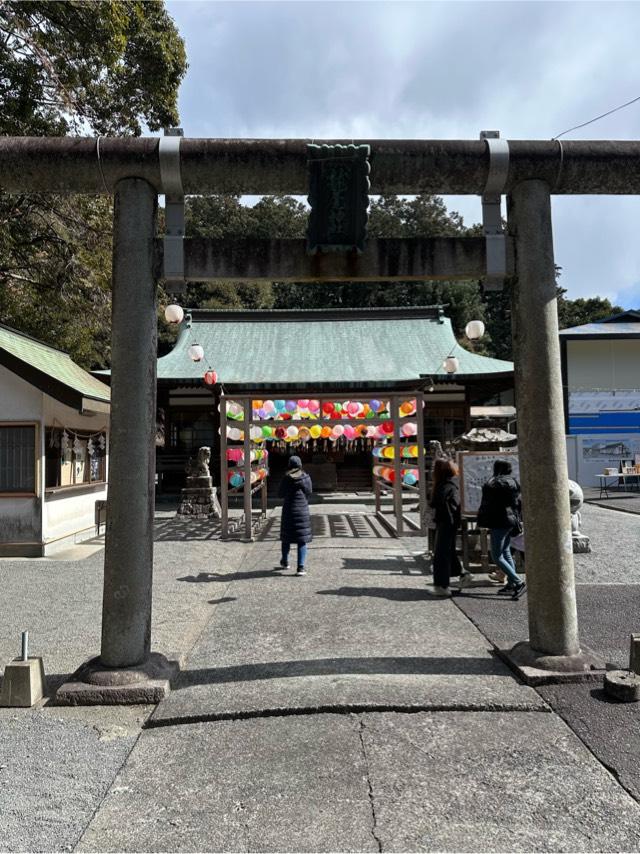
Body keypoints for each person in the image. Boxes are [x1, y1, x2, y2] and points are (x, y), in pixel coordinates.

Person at [477, 460, 526, 599]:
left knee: (497, 556)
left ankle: (517, 582)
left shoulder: (495, 483)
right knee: (506, 552)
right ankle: (511, 584)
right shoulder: (514, 482)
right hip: (511, 521)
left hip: (498, 521)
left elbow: (487, 500)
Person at [429, 458, 469, 597]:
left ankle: (442, 586)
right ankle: (463, 573)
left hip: (446, 520)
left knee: (441, 553)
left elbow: (437, 502)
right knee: (449, 550)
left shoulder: (445, 484)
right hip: (451, 520)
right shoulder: (452, 482)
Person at [278, 455, 313, 576]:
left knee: (286, 537)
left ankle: (285, 561)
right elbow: (309, 492)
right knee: (302, 540)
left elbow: (280, 494)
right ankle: (301, 567)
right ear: (300, 465)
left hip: (289, 510)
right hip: (302, 509)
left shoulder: (286, 478)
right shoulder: (306, 477)